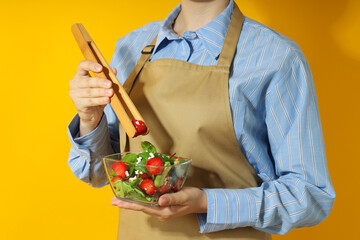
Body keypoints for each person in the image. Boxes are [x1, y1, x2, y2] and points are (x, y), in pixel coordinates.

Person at [67, 0, 335, 239]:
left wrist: (208, 202)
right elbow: (99, 173)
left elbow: (310, 195)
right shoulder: (131, 46)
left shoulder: (277, 57)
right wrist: (90, 119)